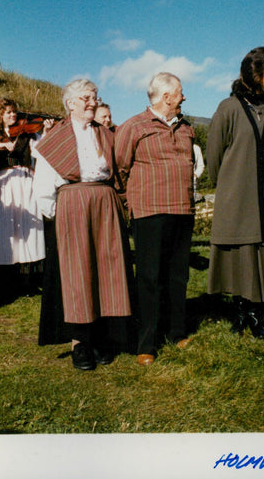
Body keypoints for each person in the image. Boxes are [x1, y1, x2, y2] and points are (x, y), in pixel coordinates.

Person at [33, 79, 134, 370]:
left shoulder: (106, 135)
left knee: (107, 269)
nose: (92, 102)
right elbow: (43, 187)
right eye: (86, 98)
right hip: (73, 205)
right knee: (78, 273)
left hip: (105, 203)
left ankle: (104, 337)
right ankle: (80, 343)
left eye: (94, 97)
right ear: (70, 103)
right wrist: (62, 214)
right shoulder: (54, 139)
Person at [115, 72, 195, 365]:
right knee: (148, 278)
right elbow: (119, 168)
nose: (184, 97)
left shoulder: (187, 128)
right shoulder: (133, 126)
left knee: (178, 276)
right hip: (149, 212)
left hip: (182, 210)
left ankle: (176, 332)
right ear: (167, 97)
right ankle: (145, 343)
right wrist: (130, 202)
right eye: (180, 93)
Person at [205, 47, 264, 339]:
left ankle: (254, 313)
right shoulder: (228, 108)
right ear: (254, 73)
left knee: (261, 251)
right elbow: (214, 156)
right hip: (235, 196)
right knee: (239, 253)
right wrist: (228, 186)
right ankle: (240, 310)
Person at [0, 97, 51, 293]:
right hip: (4, 183)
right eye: (8, 112)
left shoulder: (27, 134)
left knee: (27, 227)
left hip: (26, 181)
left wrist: (45, 133)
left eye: (14, 112)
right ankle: (4, 279)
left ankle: (28, 278)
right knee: (4, 229)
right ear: (0, 115)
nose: (13, 115)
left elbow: (39, 153)